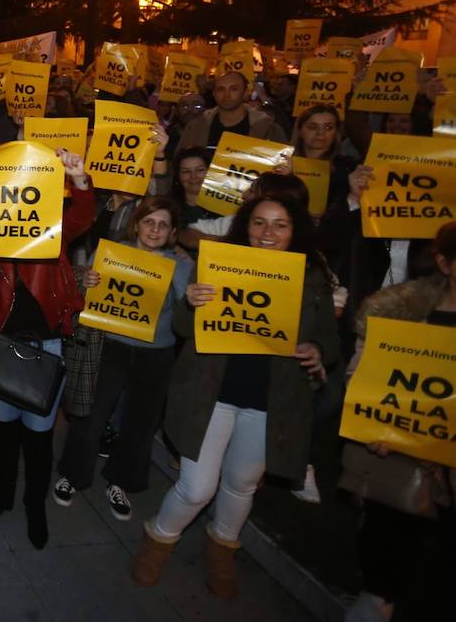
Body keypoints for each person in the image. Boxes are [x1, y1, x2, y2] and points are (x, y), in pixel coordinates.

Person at [132, 192, 339, 598]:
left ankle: (222, 547)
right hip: (212, 394)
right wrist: (190, 305)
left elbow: (329, 344)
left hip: (271, 402)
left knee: (242, 483)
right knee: (195, 487)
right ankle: (159, 537)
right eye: (259, 222)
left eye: (280, 224)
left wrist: (317, 351)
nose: (268, 233)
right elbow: (181, 329)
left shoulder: (312, 276)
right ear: (245, 225)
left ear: (295, 230)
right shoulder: (217, 264)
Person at [0, 149, 95, 548]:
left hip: (48, 348)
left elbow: (81, 218)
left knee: (39, 440)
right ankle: (3, 497)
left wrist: (79, 179)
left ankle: (34, 506)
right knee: (3, 434)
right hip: (2, 350)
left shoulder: (54, 230)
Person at [343, 221, 456, 621]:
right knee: (386, 563)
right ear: (445, 262)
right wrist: (376, 424)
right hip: (396, 466)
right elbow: (365, 377)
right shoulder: (397, 313)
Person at [54, 197, 192, 522]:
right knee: (91, 415)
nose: (154, 229)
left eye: (162, 224)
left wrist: (177, 282)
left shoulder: (182, 265)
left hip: (156, 353)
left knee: (140, 424)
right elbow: (84, 297)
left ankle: (121, 481)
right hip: (110, 345)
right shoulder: (112, 253)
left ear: (172, 231)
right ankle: (73, 475)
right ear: (137, 224)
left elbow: (188, 313)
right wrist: (86, 281)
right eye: (149, 222)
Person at [175, 71, 287, 154]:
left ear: (245, 92)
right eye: (221, 89)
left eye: (234, 89)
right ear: (214, 94)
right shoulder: (196, 127)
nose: (227, 95)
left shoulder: (268, 128)